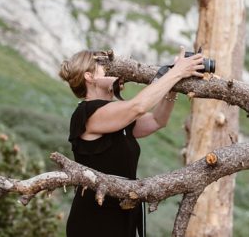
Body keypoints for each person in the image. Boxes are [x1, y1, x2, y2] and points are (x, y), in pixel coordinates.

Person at [57, 47, 205, 237]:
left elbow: (157, 120)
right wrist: (177, 72)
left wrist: (174, 83)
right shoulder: (87, 113)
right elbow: (138, 107)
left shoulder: (115, 117)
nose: (114, 69)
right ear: (89, 76)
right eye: (104, 66)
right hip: (96, 220)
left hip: (122, 216)